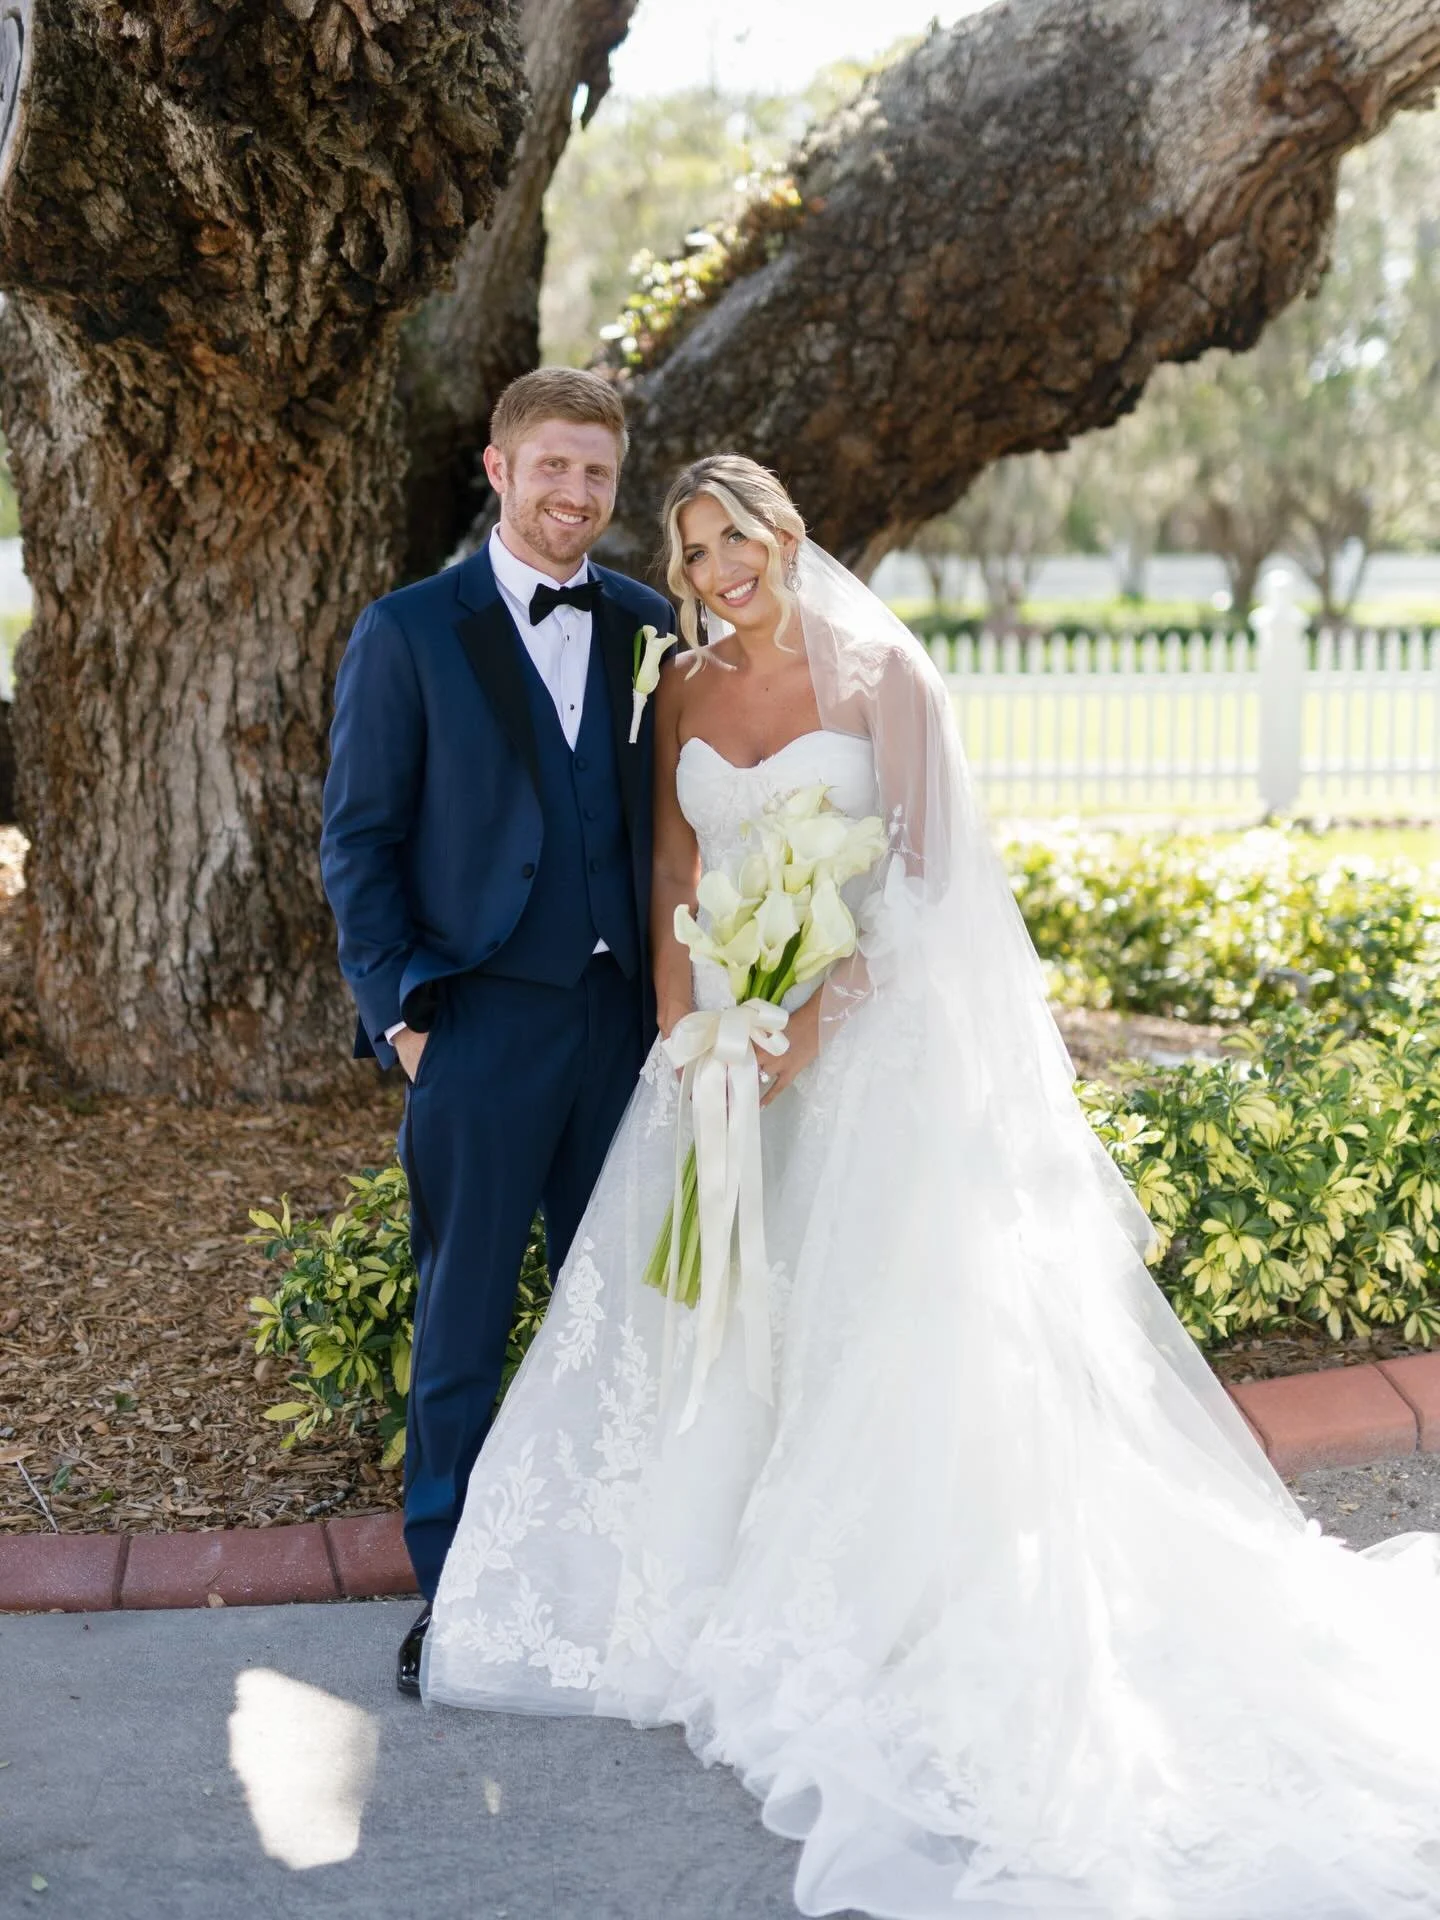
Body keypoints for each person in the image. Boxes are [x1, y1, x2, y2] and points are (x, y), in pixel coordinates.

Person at [422, 454, 1440, 1920]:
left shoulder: (880, 673)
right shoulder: (687, 692)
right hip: (722, 1046)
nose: (719, 567)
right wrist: (688, 1011)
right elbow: (668, 855)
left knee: (859, 1323)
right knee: (714, 1304)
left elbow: (925, 883)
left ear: (787, 535)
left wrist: (808, 1020)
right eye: (696, 545)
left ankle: (871, 1598)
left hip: (859, 1057)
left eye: (740, 537)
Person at [320, 369, 674, 1696]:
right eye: (554, 468)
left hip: (623, 1029)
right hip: (475, 1026)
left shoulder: (647, 626)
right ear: (499, 468)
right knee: (462, 1317)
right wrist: (408, 1021)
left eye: (598, 473)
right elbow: (357, 845)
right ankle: (457, 1598)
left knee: (617, 1316)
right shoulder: (409, 632)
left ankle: (603, 1582)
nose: (576, 494)